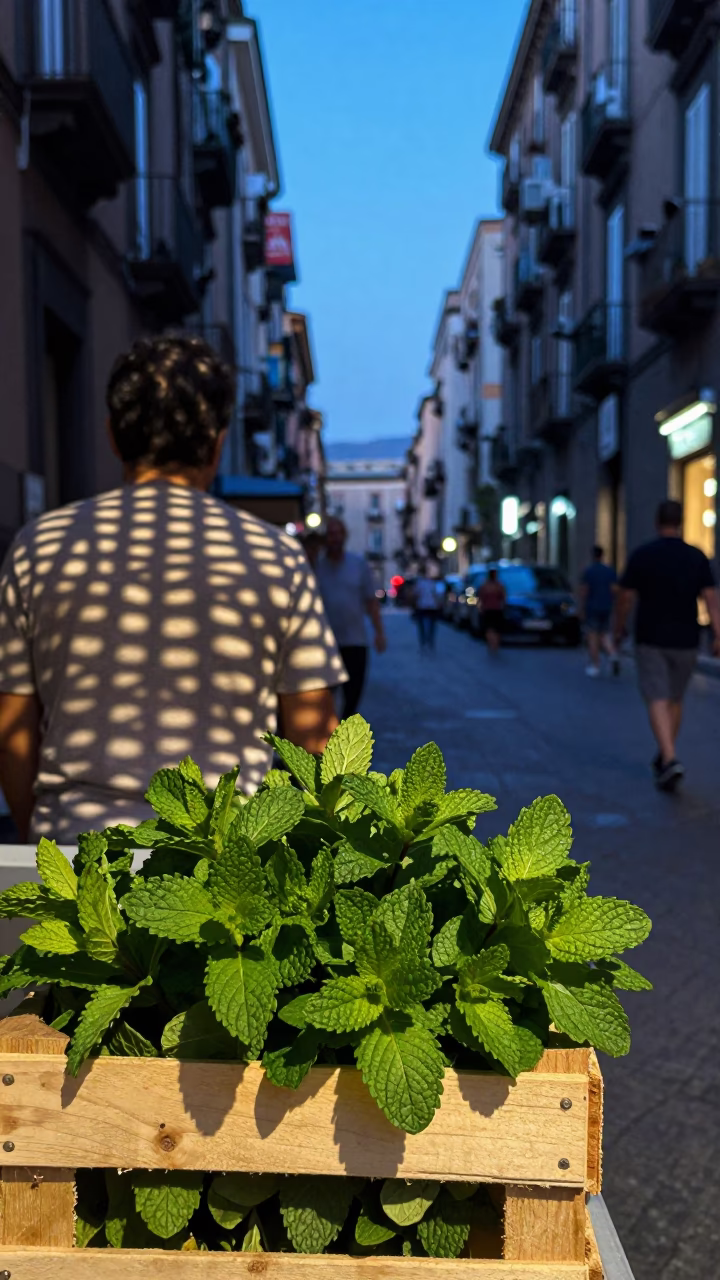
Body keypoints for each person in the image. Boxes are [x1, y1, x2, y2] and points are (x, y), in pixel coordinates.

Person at [0, 335, 347, 841]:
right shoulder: (275, 556)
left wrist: (46, 836)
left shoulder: (41, 546)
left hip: (75, 858)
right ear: (218, 442)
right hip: (223, 866)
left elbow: (12, 727)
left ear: (113, 436)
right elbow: (315, 736)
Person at [615, 499, 720, 791]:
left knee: (657, 697)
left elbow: (625, 597)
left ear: (656, 522)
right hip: (687, 639)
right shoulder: (697, 557)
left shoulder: (643, 555)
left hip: (651, 637)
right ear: (682, 522)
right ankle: (666, 756)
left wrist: (619, 626)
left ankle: (670, 758)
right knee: (675, 698)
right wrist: (718, 633)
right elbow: (711, 599)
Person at [315, 516, 386, 718]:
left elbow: (370, 602)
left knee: (352, 698)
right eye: (331, 534)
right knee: (325, 699)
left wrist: (379, 633)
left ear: (344, 536)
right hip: (326, 645)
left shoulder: (358, 565)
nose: (334, 538)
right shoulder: (316, 567)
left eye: (338, 534)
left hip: (355, 642)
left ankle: (342, 740)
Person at [580, 545, 619, 677]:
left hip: (592, 607)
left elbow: (584, 591)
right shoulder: (609, 571)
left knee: (593, 636)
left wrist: (582, 608)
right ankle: (613, 654)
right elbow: (615, 590)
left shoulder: (589, 572)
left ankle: (595, 665)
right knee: (605, 634)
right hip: (606, 607)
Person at [412, 565, 441, 652]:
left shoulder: (419, 583)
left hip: (422, 606)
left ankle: (424, 642)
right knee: (431, 626)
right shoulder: (431, 583)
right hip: (431, 606)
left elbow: (416, 595)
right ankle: (430, 642)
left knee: (422, 627)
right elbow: (436, 595)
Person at [478, 567, 506, 653]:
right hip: (497, 610)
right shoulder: (499, 586)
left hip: (488, 610)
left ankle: (491, 644)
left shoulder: (485, 586)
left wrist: (480, 608)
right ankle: (495, 644)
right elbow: (503, 598)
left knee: (489, 628)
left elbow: (480, 598)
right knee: (496, 628)